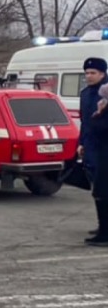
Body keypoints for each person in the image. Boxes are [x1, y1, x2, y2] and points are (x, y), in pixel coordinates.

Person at [79, 57, 108, 243]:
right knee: (98, 189)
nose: (89, 76)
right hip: (92, 147)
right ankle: (102, 225)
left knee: (103, 190)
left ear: (103, 74)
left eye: (93, 73)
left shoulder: (106, 93)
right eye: (87, 73)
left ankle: (105, 234)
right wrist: (81, 143)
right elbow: (85, 122)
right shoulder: (85, 93)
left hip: (105, 147)